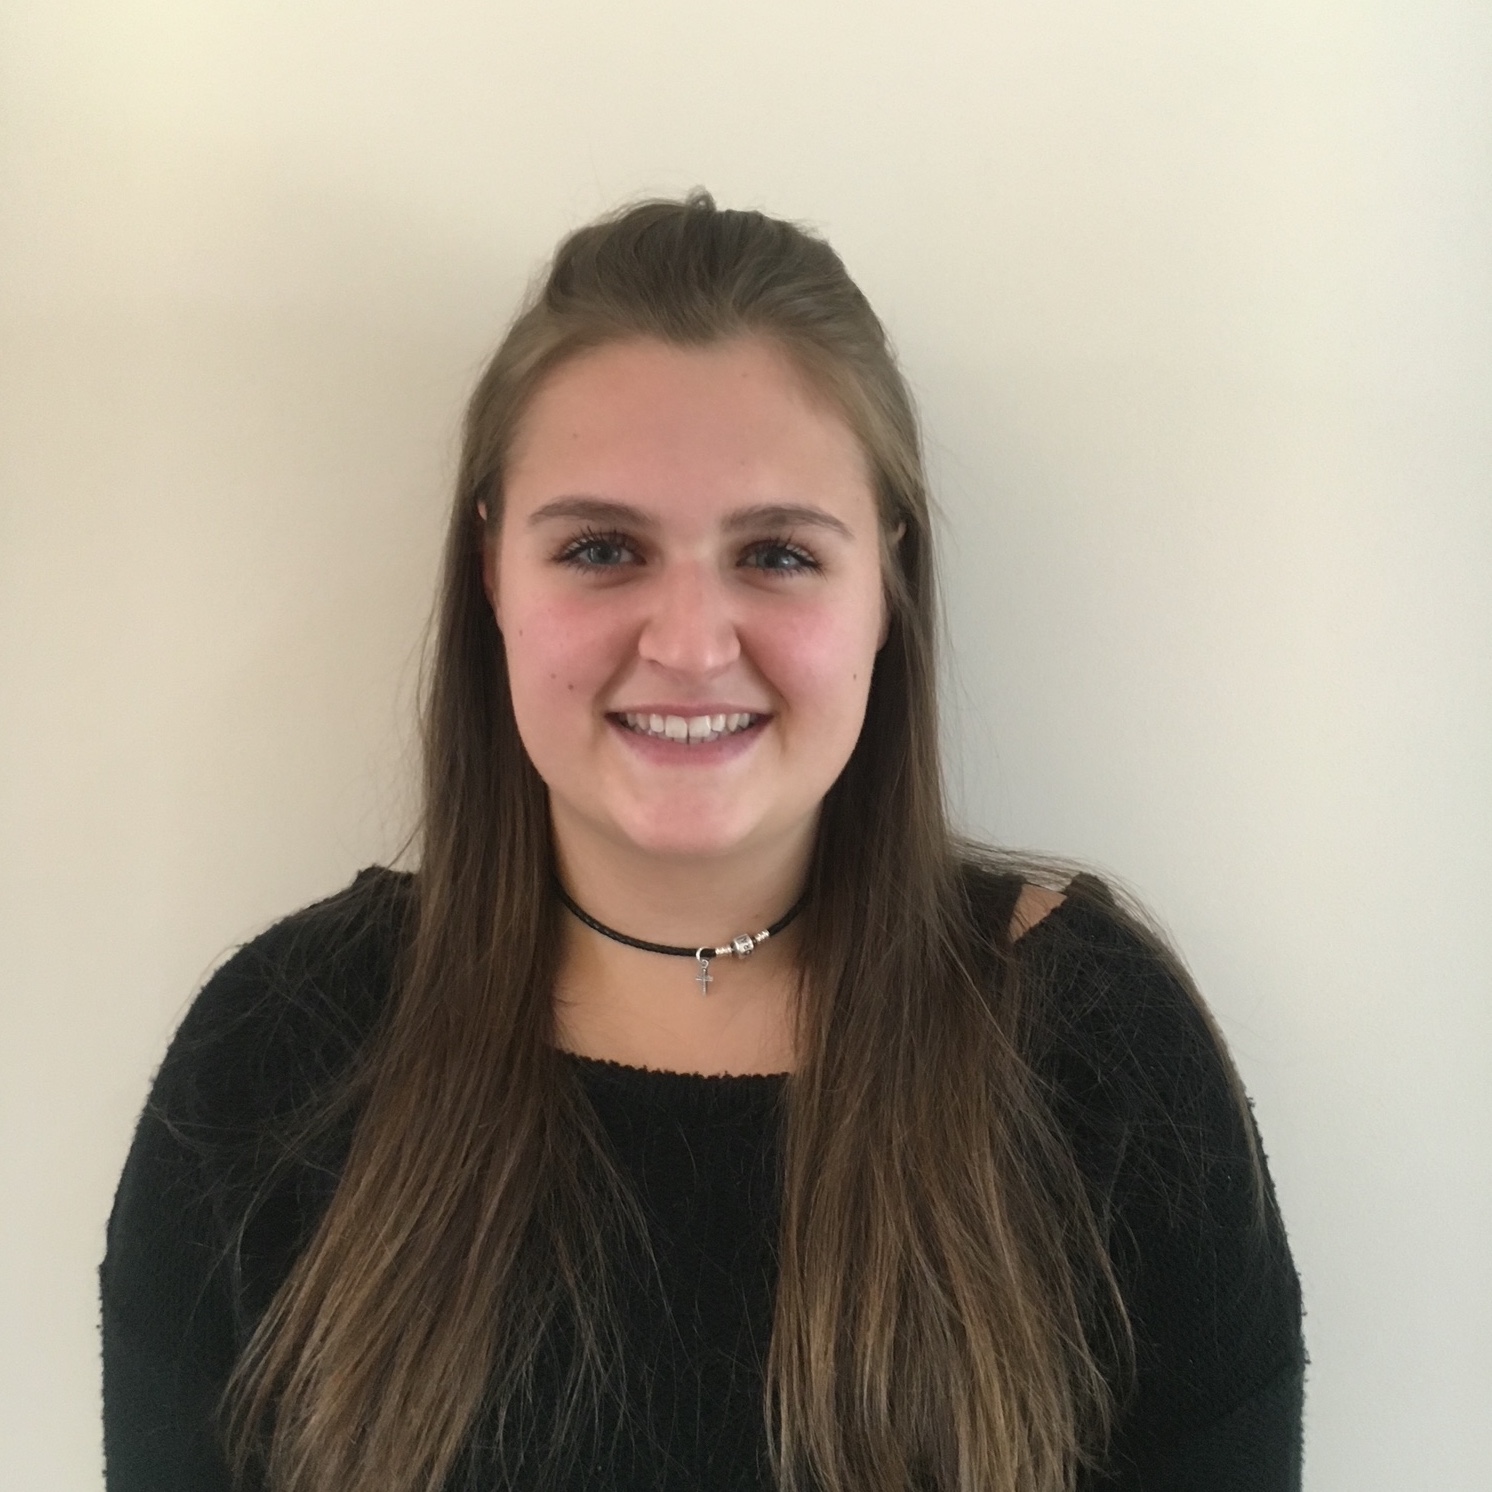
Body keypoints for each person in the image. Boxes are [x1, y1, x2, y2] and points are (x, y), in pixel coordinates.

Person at [101, 193, 1305, 1492]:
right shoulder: (274, 1058)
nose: (686, 643)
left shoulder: (1099, 1055)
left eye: (778, 553)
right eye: (604, 548)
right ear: (494, 569)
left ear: (885, 586)